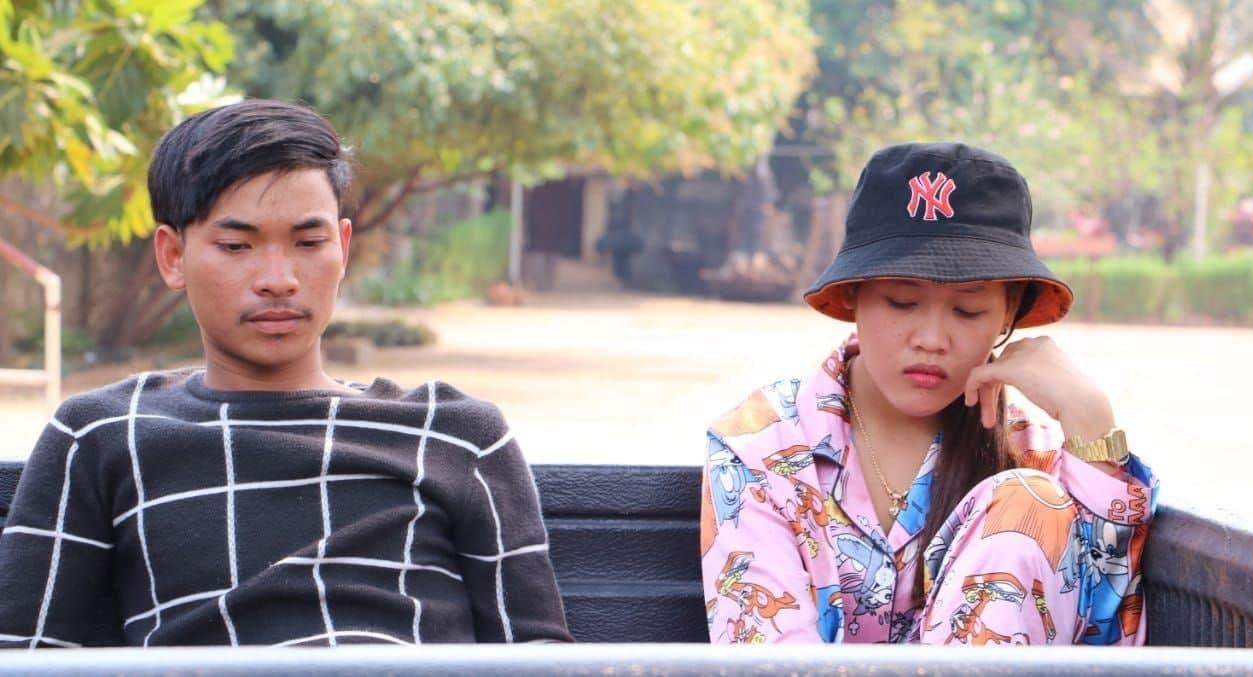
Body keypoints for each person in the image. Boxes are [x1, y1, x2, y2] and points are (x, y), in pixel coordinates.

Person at [0, 99, 572, 647]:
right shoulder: (104, 435)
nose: (278, 279)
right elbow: (23, 653)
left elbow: (539, 658)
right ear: (173, 256)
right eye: (236, 245)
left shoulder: (452, 436)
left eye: (308, 242)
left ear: (342, 248)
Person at [700, 142, 1157, 646]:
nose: (932, 339)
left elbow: (1107, 652)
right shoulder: (762, 446)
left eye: (967, 311)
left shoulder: (1039, 459)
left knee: (1028, 500)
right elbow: (762, 660)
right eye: (902, 302)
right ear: (853, 294)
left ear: (1008, 313)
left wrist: (1091, 420)